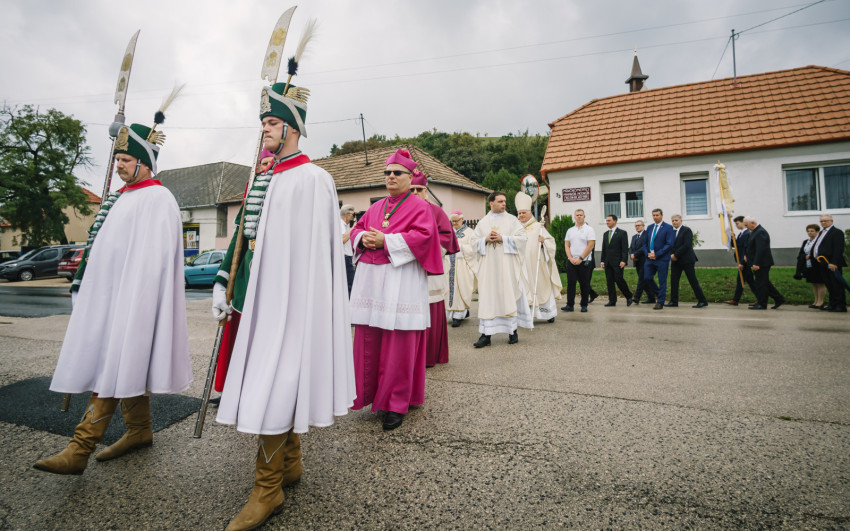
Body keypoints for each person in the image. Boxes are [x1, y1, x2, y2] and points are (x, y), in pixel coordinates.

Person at [211, 76, 356, 531]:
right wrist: (224, 282)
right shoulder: (263, 177)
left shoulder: (315, 180)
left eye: (271, 122)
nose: (265, 130)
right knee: (271, 382)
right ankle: (289, 464)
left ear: (292, 127)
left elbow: (316, 255)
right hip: (257, 299)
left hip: (294, 303)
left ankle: (267, 488)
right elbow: (243, 235)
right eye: (263, 123)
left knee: (276, 385)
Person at [35, 112, 192, 475]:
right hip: (108, 298)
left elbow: (155, 261)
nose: (117, 165)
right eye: (117, 159)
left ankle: (80, 448)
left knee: (115, 366)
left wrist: (136, 302)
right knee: (122, 364)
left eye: (124, 159)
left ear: (144, 162)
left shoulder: (158, 199)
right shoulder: (119, 198)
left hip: (137, 302)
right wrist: (85, 285)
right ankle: (139, 430)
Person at [348, 149, 442, 430]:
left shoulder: (421, 208)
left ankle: (395, 403)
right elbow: (356, 229)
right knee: (371, 337)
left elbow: (425, 237)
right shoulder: (376, 207)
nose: (391, 176)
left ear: (410, 177)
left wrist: (386, 241)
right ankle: (371, 395)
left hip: (402, 283)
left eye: (397, 173)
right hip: (372, 285)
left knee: (398, 343)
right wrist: (362, 238)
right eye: (387, 172)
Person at [410, 171, 459, 366]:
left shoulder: (436, 212)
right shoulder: (400, 211)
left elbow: (446, 237)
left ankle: (429, 355)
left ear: (426, 191)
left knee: (432, 309)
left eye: (418, 189)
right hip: (406, 269)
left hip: (430, 270)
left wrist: (424, 250)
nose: (415, 193)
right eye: (411, 189)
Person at [471, 191, 531, 346]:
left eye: (504, 201)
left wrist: (503, 238)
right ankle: (486, 335)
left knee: (507, 296)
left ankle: (512, 331)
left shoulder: (512, 220)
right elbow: (473, 243)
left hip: (506, 267)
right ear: (491, 203)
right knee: (488, 299)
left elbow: (522, 239)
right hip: (489, 270)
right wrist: (484, 239)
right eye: (500, 201)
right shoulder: (483, 223)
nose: (504, 204)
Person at [516, 192, 562, 322]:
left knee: (541, 287)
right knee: (524, 289)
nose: (521, 215)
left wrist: (543, 243)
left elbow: (551, 243)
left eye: (523, 212)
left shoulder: (538, 227)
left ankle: (548, 314)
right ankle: (526, 315)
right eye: (519, 213)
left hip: (537, 265)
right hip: (522, 266)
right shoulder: (516, 228)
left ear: (530, 213)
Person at [743, 216, 785, 310]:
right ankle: (779, 298)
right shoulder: (755, 231)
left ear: (752, 223)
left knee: (761, 284)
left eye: (746, 225)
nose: (746, 227)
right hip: (758, 262)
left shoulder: (760, 232)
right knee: (763, 282)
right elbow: (751, 246)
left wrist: (756, 263)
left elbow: (761, 249)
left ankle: (762, 304)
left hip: (762, 263)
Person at [668, 214, 708, 308]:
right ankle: (673, 301)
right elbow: (670, 245)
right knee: (674, 281)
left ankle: (702, 301)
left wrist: (676, 255)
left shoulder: (686, 230)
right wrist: (671, 255)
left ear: (681, 221)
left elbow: (686, 245)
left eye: (676, 220)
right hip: (676, 261)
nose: (674, 222)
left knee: (692, 280)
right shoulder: (671, 232)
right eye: (673, 221)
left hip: (687, 260)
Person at [445, 210, 476, 327]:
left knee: (461, 289)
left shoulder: (470, 233)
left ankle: (459, 315)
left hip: (463, 265)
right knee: (449, 289)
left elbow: (474, 249)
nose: (454, 223)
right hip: (449, 265)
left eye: (456, 221)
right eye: (452, 221)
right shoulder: (448, 232)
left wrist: (460, 247)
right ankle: (453, 314)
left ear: (462, 219)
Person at [561, 209, 596, 312]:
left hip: (584, 261)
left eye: (581, 215)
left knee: (584, 284)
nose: (579, 216)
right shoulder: (570, 230)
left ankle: (584, 305)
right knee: (571, 283)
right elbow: (567, 245)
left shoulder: (589, 229)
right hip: (571, 261)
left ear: (584, 216)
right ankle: (570, 305)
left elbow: (590, 246)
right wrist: (570, 258)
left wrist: (581, 258)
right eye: (577, 215)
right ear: (574, 217)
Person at [811, 214, 847, 312]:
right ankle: (832, 304)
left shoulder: (837, 232)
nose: (823, 223)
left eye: (825, 221)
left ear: (831, 221)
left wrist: (834, 262)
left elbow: (838, 249)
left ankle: (840, 305)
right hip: (822, 263)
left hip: (831, 263)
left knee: (836, 285)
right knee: (829, 284)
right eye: (821, 221)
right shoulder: (822, 232)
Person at [643, 208, 676, 310]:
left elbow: (669, 244)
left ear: (662, 215)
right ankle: (659, 294)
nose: (655, 217)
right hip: (649, 258)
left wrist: (657, 254)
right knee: (647, 278)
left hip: (662, 258)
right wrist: (647, 253)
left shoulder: (668, 227)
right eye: (653, 215)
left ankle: (660, 302)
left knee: (662, 280)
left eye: (657, 215)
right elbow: (644, 243)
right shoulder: (650, 227)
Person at [600, 214, 633, 306]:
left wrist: (624, 260)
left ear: (615, 221)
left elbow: (624, 248)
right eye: (606, 221)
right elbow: (604, 248)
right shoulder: (605, 234)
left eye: (609, 220)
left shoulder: (622, 233)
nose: (607, 222)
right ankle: (612, 300)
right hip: (607, 262)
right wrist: (602, 261)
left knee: (619, 280)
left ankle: (628, 296)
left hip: (618, 262)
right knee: (609, 282)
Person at [725, 215, 757, 306]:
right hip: (742, 261)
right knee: (750, 281)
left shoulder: (747, 234)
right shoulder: (741, 234)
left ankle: (736, 300)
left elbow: (746, 249)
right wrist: (733, 238)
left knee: (741, 280)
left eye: (737, 223)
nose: (736, 225)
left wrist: (742, 262)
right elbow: (736, 245)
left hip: (744, 261)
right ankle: (760, 298)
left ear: (743, 223)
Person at [795, 223, 826, 309]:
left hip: (818, 265)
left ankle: (820, 301)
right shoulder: (806, 242)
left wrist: (811, 256)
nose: (810, 233)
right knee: (814, 283)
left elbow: (821, 252)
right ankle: (815, 301)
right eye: (808, 231)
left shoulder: (820, 241)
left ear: (817, 232)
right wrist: (804, 257)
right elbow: (801, 253)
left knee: (820, 283)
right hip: (809, 265)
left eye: (812, 231)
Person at [629, 219, 655, 304]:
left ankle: (637, 297)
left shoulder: (647, 235)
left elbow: (645, 247)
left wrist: (635, 254)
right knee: (645, 280)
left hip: (645, 261)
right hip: (637, 262)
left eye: (639, 225)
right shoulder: (634, 237)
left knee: (641, 279)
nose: (637, 227)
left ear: (643, 226)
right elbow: (631, 248)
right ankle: (651, 298)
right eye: (636, 226)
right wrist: (631, 255)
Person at [340, 204, 356, 295]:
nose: (354, 218)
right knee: (351, 284)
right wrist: (353, 229)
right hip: (344, 258)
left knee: (349, 284)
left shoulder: (345, 226)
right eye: (353, 215)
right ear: (347, 214)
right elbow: (342, 239)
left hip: (347, 258)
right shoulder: (340, 224)